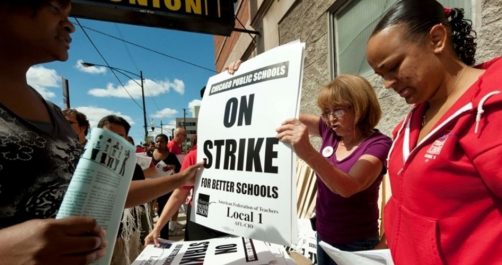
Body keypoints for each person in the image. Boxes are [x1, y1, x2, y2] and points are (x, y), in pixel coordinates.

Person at [366, 0, 502, 264]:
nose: (387, 83)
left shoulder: (490, 113)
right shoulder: (411, 122)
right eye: (380, 74)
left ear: (437, 39)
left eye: (393, 67)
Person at [0, 1, 108, 264]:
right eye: (54, 8)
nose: (70, 25)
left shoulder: (55, 114)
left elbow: (90, 189)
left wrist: (181, 179)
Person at [275, 76, 392, 264]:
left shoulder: (378, 144)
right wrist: (243, 77)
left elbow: (349, 186)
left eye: (337, 110)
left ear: (360, 105)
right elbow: (282, 117)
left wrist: (309, 153)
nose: (330, 119)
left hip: (356, 244)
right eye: (326, 112)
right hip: (323, 236)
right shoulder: (331, 132)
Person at [96, 115, 203, 265]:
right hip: (98, 236)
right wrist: (180, 179)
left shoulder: (134, 165)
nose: (114, 141)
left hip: (127, 232)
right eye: (109, 135)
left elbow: (142, 187)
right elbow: (122, 195)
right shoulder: (85, 164)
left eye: (120, 136)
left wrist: (155, 228)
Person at [144, 135, 227, 246]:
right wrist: (157, 228)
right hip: (200, 218)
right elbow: (179, 194)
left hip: (236, 222)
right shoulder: (195, 156)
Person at [145, 133, 182, 240]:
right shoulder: (149, 155)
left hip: (165, 188)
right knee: (149, 212)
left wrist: (172, 167)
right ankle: (150, 235)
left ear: (166, 143)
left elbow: (178, 170)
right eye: (157, 141)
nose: (159, 143)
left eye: (162, 141)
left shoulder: (171, 156)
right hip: (151, 186)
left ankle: (164, 237)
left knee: (162, 211)